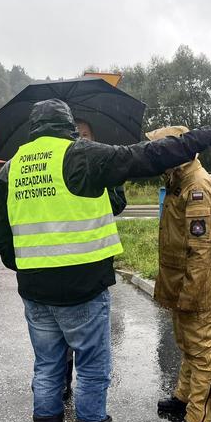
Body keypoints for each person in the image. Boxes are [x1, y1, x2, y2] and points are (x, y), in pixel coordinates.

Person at [0, 99, 211, 422]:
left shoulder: (11, 168)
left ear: (32, 128)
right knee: (90, 375)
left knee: (48, 373)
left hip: (35, 294)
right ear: (69, 126)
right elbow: (151, 155)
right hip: (83, 291)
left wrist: (31, 267)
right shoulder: (81, 156)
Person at [150, 125, 211, 422]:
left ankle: (199, 418)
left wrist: (190, 295)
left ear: (177, 155)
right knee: (186, 345)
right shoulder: (178, 182)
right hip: (181, 284)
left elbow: (202, 249)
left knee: (202, 350)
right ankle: (184, 397)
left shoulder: (197, 187)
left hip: (195, 287)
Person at [60, 119, 127, 403]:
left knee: (89, 347)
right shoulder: (59, 166)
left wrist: (100, 184)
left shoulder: (103, 165)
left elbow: (118, 203)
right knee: (61, 341)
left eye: (86, 135)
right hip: (59, 264)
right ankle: (62, 383)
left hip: (90, 266)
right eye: (76, 135)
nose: (81, 139)